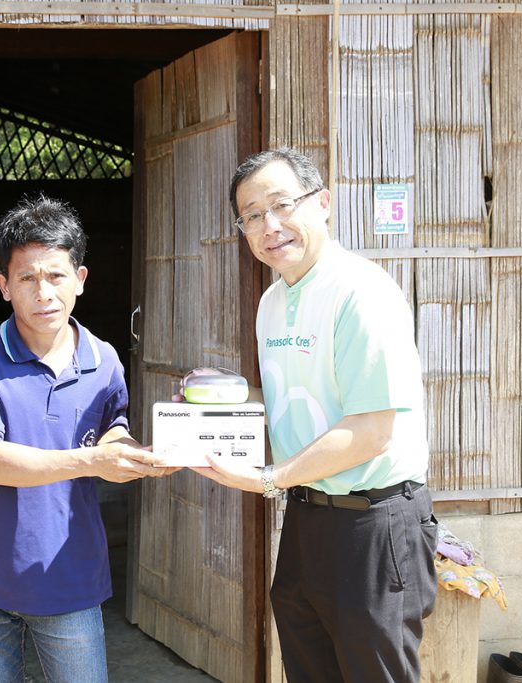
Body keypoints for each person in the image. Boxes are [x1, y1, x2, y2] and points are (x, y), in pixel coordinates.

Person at [187, 148, 438, 682]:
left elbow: (371, 431)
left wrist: (267, 478)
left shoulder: (360, 292)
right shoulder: (272, 302)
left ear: (322, 202)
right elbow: (295, 400)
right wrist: (196, 422)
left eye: (282, 205)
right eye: (252, 215)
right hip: (306, 517)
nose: (269, 226)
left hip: (373, 522)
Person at [0, 195, 171, 683]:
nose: (43, 292)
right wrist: (92, 461)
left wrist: (137, 455)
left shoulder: (103, 359)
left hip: (69, 575)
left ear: (80, 279)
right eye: (27, 278)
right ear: (4, 286)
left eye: (56, 275)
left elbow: (111, 429)